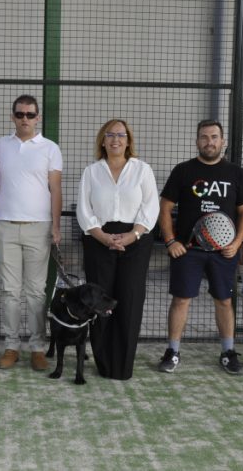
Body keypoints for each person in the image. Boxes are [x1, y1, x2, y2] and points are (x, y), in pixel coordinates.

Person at [158, 119, 243, 374]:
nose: (209, 142)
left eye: (213, 137)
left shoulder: (235, 173)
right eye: (204, 137)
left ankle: (228, 352)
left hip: (224, 252)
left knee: (224, 301)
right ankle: (173, 351)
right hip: (188, 251)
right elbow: (164, 207)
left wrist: (237, 242)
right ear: (197, 141)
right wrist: (170, 241)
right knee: (181, 300)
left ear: (223, 141)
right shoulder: (183, 171)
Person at [76, 119, 159, 380]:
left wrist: (132, 235)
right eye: (110, 135)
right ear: (103, 140)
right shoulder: (91, 171)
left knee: (130, 301)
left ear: (128, 140)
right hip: (99, 241)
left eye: (121, 135)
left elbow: (150, 207)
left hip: (134, 242)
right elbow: (84, 209)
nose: (115, 140)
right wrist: (102, 237)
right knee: (99, 302)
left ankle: (122, 366)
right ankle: (103, 362)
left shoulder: (142, 170)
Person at [0, 95, 63, 371]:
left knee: (36, 292)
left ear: (38, 118)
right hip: (6, 226)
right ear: (12, 116)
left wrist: (56, 227)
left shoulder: (50, 148)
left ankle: (37, 347)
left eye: (30, 115)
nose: (25, 119)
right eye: (20, 114)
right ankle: (11, 346)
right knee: (10, 291)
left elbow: (55, 189)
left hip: (39, 228)